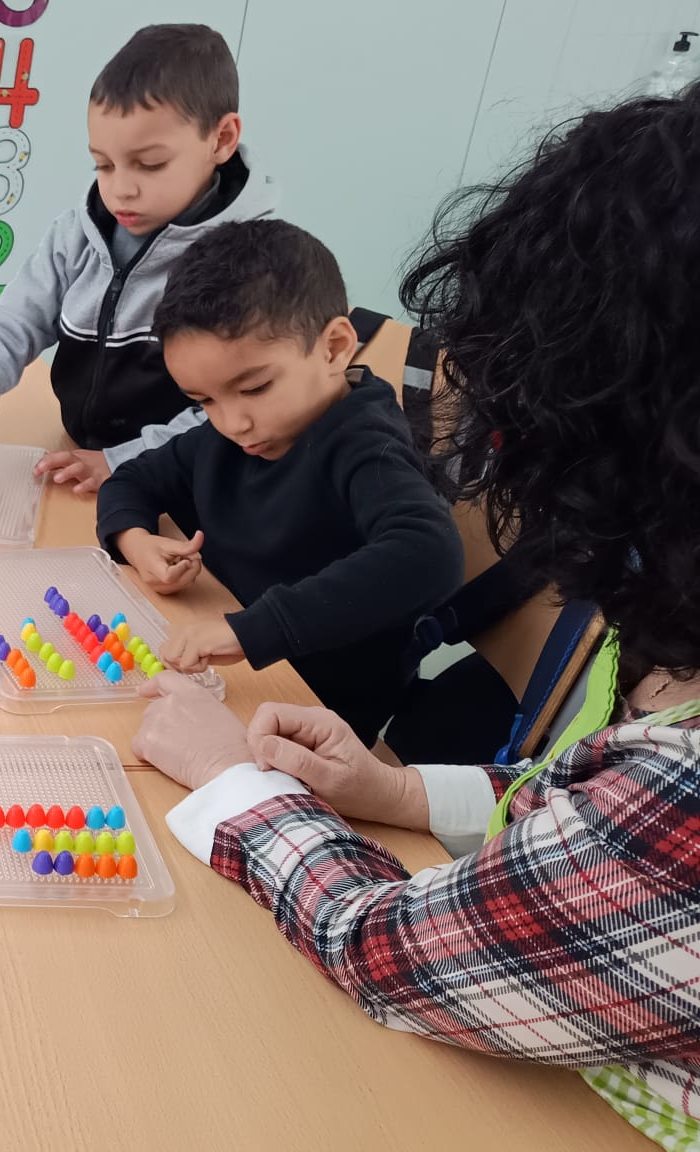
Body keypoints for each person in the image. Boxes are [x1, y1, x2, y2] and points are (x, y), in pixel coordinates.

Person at [133, 84, 700, 1148]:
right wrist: (394, 790)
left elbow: (387, 949)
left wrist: (233, 781)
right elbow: (586, 814)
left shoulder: (680, 791)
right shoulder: (668, 647)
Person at [96, 219, 461, 741]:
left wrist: (251, 631)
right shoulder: (235, 432)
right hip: (231, 666)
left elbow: (431, 554)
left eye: (255, 388)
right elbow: (132, 479)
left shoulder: (365, 443)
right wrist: (136, 542)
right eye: (204, 400)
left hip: (315, 713)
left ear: (335, 348)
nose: (232, 422)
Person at [0, 23, 277, 492]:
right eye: (103, 164)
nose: (121, 189)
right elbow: (11, 321)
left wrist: (122, 461)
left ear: (222, 138)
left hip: (177, 482)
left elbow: (238, 412)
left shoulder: (248, 264)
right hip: (80, 462)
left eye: (150, 164)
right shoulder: (78, 234)